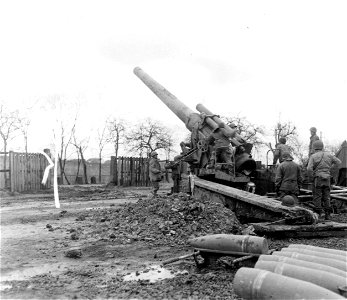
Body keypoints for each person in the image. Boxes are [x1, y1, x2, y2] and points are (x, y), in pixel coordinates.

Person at [307, 140, 341, 220]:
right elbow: (338, 162)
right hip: (327, 177)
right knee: (327, 196)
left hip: (318, 178)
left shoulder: (313, 156)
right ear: (322, 147)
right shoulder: (329, 155)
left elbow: (309, 169)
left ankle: (318, 215)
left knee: (317, 196)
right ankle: (327, 215)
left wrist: (311, 177)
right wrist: (329, 168)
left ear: (314, 147)